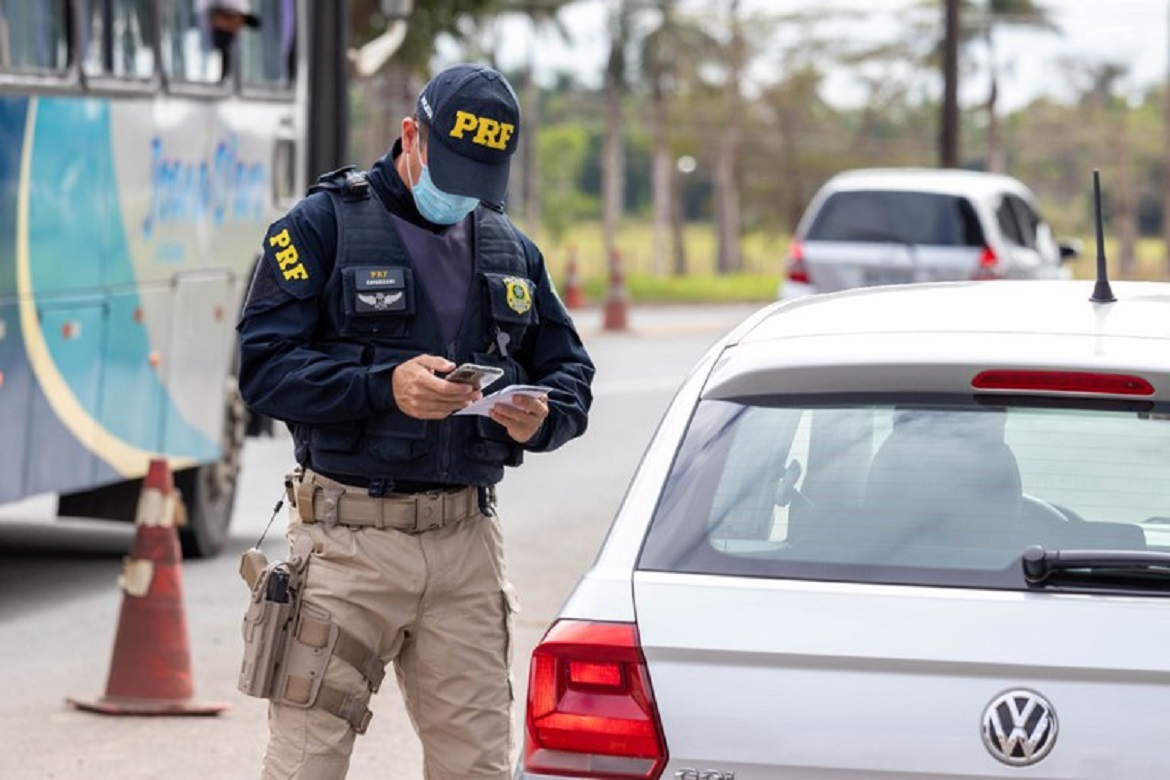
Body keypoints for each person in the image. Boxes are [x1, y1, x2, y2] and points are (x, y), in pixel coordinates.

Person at [236, 63, 595, 779]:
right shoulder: (320, 226)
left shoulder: (510, 248)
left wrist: (538, 419)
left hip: (466, 546)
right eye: (453, 169)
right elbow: (264, 370)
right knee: (306, 763)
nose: (462, 192)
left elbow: (572, 376)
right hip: (346, 546)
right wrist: (381, 388)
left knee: (479, 768)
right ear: (412, 136)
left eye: (481, 179)